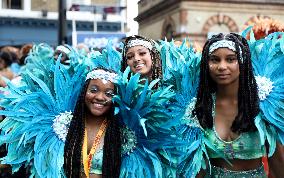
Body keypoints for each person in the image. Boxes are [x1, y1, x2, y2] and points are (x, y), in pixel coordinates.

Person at [187, 33, 284, 177]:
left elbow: (279, 168)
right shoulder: (199, 108)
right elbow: (197, 168)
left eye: (231, 59)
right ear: (206, 64)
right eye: (215, 60)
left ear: (243, 62)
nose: (222, 66)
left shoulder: (262, 106)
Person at [63, 68, 121, 178]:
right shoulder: (64, 126)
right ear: (84, 92)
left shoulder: (122, 133)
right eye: (93, 90)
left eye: (109, 94)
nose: (99, 97)